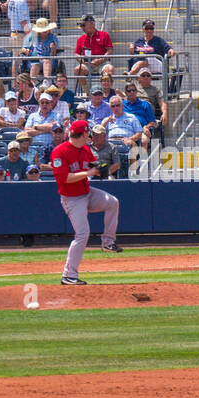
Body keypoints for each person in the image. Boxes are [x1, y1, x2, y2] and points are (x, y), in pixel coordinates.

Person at [52, 119, 122, 285]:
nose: (89, 137)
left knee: (113, 202)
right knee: (82, 234)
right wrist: (89, 171)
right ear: (82, 134)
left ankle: (108, 242)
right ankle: (68, 275)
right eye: (87, 134)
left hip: (86, 192)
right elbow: (65, 179)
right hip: (72, 199)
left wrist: (101, 168)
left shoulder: (84, 149)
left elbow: (95, 164)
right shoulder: (59, 152)